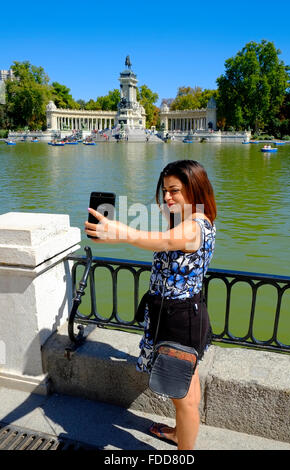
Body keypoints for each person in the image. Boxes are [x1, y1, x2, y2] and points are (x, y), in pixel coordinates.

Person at [84, 160, 217, 450]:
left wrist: (119, 231)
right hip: (184, 314)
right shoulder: (193, 220)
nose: (167, 197)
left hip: (178, 319)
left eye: (175, 191)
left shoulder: (193, 227)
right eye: (165, 190)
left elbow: (161, 240)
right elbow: (157, 242)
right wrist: (108, 236)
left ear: (194, 189)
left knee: (185, 399)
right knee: (186, 391)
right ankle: (180, 435)